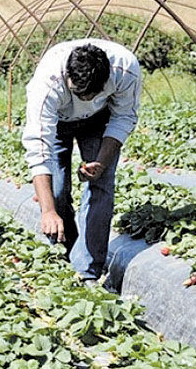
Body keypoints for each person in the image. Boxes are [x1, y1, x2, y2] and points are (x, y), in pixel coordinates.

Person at [22, 39, 142, 285]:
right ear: (67, 77)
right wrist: (47, 211)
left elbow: (124, 116)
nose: (85, 98)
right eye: (79, 92)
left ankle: (86, 270)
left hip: (99, 120)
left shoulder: (125, 69)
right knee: (56, 191)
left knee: (101, 185)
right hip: (57, 123)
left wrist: (101, 161)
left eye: (93, 93)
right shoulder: (48, 82)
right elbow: (39, 145)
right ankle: (65, 253)